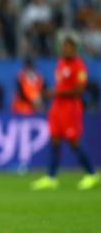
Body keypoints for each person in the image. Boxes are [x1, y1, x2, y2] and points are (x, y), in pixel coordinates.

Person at [31, 37, 99, 191]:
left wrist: (56, 92)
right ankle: (51, 177)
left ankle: (91, 174)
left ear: (74, 49)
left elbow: (80, 91)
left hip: (71, 109)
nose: (64, 50)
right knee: (54, 141)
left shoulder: (79, 66)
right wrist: (55, 94)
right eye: (63, 47)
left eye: (67, 47)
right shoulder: (61, 62)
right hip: (57, 108)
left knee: (74, 143)